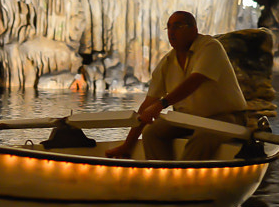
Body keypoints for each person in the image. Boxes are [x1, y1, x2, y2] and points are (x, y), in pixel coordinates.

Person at [106, 11, 249, 160]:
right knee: (151, 132)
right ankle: (162, 175)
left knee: (204, 134)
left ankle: (186, 178)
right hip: (188, 119)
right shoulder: (167, 62)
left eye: (178, 26)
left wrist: (162, 103)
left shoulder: (210, 47)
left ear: (194, 29)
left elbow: (195, 81)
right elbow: (147, 105)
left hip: (228, 117)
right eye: (168, 27)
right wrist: (127, 145)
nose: (172, 32)